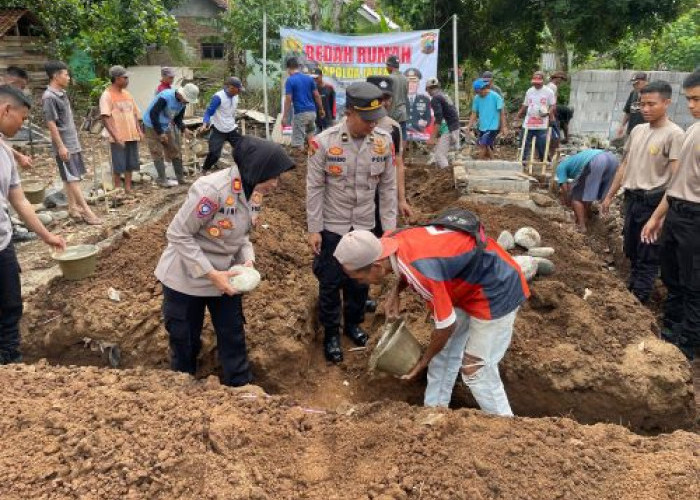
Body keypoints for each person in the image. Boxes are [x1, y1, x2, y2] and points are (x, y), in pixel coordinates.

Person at [333, 219, 530, 416]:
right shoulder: (390, 239)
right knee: (443, 354)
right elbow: (410, 260)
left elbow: (446, 326)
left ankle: (506, 429)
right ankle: (433, 415)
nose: (359, 283)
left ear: (375, 266)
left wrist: (423, 361)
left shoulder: (423, 273)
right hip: (465, 283)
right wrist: (395, 291)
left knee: (476, 370)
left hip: (497, 289)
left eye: (358, 278)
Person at [155, 136, 294, 386]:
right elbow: (177, 233)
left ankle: (240, 390)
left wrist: (247, 260)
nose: (276, 183)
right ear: (256, 170)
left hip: (227, 278)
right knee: (185, 340)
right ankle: (181, 393)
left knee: (233, 336)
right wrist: (211, 274)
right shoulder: (211, 191)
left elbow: (242, 236)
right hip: (186, 278)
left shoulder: (254, 192)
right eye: (272, 176)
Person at [307, 82, 397, 363]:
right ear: (349, 113)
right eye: (366, 119)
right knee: (331, 283)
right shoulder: (323, 142)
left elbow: (388, 187)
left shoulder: (384, 141)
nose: (372, 125)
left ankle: (354, 324)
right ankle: (332, 332)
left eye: (376, 119)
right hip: (333, 227)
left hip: (364, 225)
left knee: (361, 283)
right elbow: (314, 187)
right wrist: (314, 228)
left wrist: (389, 227)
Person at [601, 81, 684, 304]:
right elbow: (624, 165)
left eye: (651, 104)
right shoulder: (637, 130)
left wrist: (660, 215)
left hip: (654, 202)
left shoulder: (674, 135)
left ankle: (638, 301)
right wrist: (609, 195)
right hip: (633, 200)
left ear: (666, 103)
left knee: (648, 256)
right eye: (642, 104)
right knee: (632, 250)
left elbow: (677, 181)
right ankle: (631, 292)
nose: (646, 109)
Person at [0, 84, 66, 364]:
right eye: (23, 118)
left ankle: (9, 363)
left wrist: (46, 235)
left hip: (2, 242)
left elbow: (19, 200)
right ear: (6, 110)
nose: (23, 124)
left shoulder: (4, 151)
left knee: (10, 306)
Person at [641, 70, 700, 360]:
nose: (691, 106)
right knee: (673, 276)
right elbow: (678, 183)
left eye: (697, 99)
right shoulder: (693, 130)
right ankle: (673, 327)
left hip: (696, 218)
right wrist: (658, 215)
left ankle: (688, 343)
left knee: (694, 282)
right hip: (678, 212)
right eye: (689, 99)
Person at [42, 61, 103, 225]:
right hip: (64, 144)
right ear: (55, 76)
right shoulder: (49, 97)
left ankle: (73, 208)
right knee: (73, 178)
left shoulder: (62, 93)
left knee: (69, 177)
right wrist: (61, 146)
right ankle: (86, 211)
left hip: (72, 141)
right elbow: (51, 124)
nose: (68, 77)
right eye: (66, 74)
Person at [366, 75, 413, 221]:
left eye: (387, 98)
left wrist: (401, 200)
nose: (384, 103)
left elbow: (398, 164)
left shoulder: (393, 127)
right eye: (380, 98)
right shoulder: (351, 125)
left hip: (383, 194)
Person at [143, 82, 199, 187]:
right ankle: (162, 179)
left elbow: (178, 118)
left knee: (174, 150)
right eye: (187, 100)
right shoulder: (166, 97)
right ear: (182, 95)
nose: (187, 103)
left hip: (165, 124)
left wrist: (184, 129)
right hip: (151, 124)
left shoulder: (183, 103)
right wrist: (160, 133)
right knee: (156, 151)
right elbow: (153, 114)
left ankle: (180, 178)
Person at [99, 65, 143, 194]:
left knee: (130, 162)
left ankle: (128, 188)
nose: (127, 80)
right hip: (117, 137)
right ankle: (118, 190)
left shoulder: (127, 94)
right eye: (125, 78)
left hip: (131, 134)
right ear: (117, 79)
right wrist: (116, 137)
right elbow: (105, 118)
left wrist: (139, 131)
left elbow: (134, 113)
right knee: (118, 164)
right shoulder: (107, 95)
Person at [556, 149, 619, 232]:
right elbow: (587, 192)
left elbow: (564, 187)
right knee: (591, 193)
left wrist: (568, 201)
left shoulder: (560, 166)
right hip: (613, 160)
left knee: (576, 197)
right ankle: (593, 220)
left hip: (596, 160)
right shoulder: (574, 160)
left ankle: (581, 226)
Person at [200, 77, 244, 173]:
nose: (240, 91)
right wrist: (205, 123)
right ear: (231, 88)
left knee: (242, 148)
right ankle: (205, 169)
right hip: (219, 130)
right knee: (214, 154)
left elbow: (231, 112)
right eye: (238, 89)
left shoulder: (236, 96)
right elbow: (208, 112)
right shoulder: (218, 97)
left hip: (231, 128)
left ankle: (243, 169)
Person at [282, 57, 324, 151]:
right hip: (312, 112)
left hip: (300, 113)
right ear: (298, 67)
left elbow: (288, 99)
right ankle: (313, 158)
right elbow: (317, 95)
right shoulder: (309, 79)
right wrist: (321, 109)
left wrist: (284, 117)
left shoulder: (290, 80)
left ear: (288, 69)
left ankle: (300, 164)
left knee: (297, 143)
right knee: (311, 137)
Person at [516, 71, 556, 163]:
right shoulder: (529, 91)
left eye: (538, 83)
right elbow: (525, 105)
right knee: (524, 143)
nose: (536, 85)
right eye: (534, 83)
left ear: (543, 81)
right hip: (528, 122)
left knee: (541, 144)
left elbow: (553, 105)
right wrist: (518, 115)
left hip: (541, 123)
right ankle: (522, 162)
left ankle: (544, 161)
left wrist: (548, 113)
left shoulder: (548, 92)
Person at [467, 78, 507, 160]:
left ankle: (478, 164)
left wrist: (503, 127)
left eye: (480, 92)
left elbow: (502, 113)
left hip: (493, 126)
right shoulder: (477, 98)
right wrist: (469, 126)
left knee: (483, 145)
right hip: (482, 126)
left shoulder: (496, 97)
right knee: (487, 145)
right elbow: (474, 113)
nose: (479, 94)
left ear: (484, 88)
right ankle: (493, 161)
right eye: (477, 93)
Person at [425, 77, 460, 168]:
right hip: (454, 127)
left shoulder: (435, 99)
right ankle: (442, 174)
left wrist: (432, 138)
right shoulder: (444, 95)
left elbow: (438, 119)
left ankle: (447, 176)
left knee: (439, 156)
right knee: (438, 151)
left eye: (427, 90)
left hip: (450, 128)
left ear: (428, 89)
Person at [616, 72, 648, 139]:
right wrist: (622, 126)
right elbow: (628, 112)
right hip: (631, 131)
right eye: (633, 83)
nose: (635, 85)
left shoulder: (651, 95)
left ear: (645, 82)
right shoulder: (633, 93)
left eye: (637, 83)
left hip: (645, 132)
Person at [386, 55, 409, 141]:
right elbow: (405, 95)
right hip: (402, 112)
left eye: (387, 66)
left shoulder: (389, 78)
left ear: (390, 66)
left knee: (389, 136)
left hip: (392, 113)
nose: (386, 68)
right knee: (403, 135)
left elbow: (388, 97)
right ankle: (401, 154)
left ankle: (391, 154)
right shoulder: (405, 79)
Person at [405, 68, 432, 135]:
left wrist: (425, 122)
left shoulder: (425, 100)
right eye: (408, 82)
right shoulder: (399, 99)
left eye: (414, 82)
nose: (411, 85)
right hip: (402, 134)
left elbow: (428, 118)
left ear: (418, 84)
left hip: (419, 134)